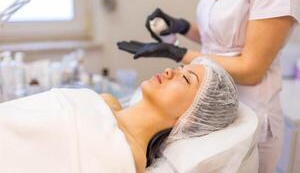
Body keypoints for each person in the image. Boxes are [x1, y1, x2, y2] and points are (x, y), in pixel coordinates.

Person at [117, 0, 300, 172]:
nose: (169, 72)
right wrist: (183, 27)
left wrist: (177, 53)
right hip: (202, 108)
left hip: (250, 109)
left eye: (185, 75)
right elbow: (217, 41)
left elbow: (252, 69)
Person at [0, 57, 238, 173]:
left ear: (191, 117)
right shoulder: (107, 101)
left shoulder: (124, 159)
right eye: (179, 68)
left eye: (185, 78)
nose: (169, 70)